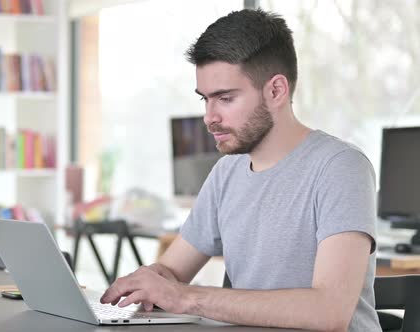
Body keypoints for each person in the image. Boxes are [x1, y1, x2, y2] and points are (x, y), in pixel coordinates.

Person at [100, 8, 381, 332]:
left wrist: (187, 297)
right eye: (205, 99)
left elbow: (329, 312)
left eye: (225, 98)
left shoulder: (340, 167)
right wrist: (149, 282)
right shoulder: (226, 173)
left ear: (276, 90)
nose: (209, 117)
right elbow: (172, 272)